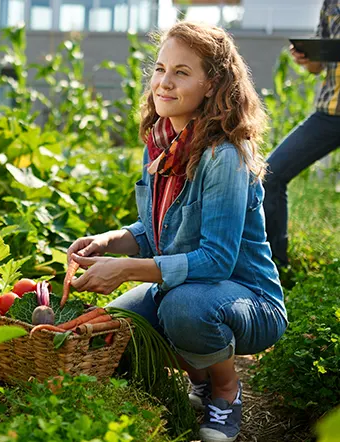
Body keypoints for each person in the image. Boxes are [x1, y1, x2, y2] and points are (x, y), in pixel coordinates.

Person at [67, 22, 288, 442]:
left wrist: (127, 270)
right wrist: (110, 242)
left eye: (182, 72)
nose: (164, 83)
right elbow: (157, 230)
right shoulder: (165, 143)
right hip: (189, 288)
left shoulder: (224, 155)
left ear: (212, 84)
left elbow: (217, 260)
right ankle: (200, 374)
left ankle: (225, 391)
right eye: (160, 68)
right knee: (118, 327)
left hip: (248, 298)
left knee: (182, 308)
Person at [263, 0, 340, 271]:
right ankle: (275, 266)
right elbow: (318, 68)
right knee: (271, 173)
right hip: (331, 111)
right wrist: (308, 58)